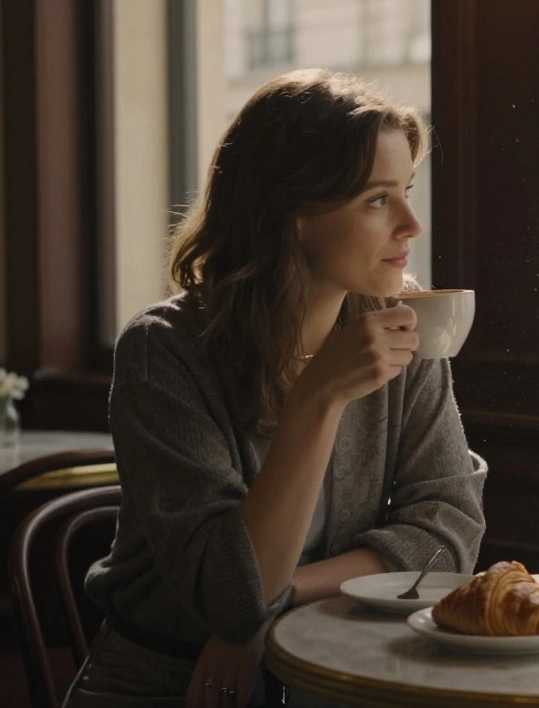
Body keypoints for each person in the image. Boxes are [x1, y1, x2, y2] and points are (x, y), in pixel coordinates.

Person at [63, 70, 488, 708]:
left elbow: (448, 535)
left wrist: (272, 609)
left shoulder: (406, 326)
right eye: (377, 200)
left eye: (406, 191)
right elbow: (232, 597)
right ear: (292, 215)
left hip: (335, 669)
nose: (411, 225)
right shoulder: (164, 352)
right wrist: (316, 401)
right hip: (171, 684)